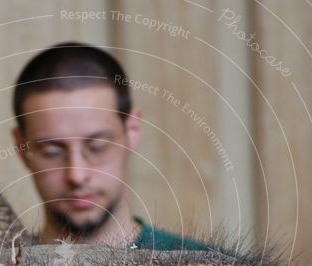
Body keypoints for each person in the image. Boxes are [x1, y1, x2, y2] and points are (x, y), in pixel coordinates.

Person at [12, 42, 211, 251]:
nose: (77, 175)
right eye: (52, 152)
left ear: (132, 131)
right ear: (22, 148)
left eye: (98, 146)